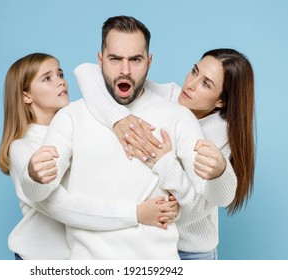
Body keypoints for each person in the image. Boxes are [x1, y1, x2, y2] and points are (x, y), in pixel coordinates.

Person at [22, 16, 235, 259]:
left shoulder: (179, 117)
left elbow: (208, 203)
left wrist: (217, 172)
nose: (125, 70)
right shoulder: (70, 116)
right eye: (115, 59)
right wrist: (33, 175)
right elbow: (39, 194)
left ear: (149, 62)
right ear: (100, 60)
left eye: (135, 59)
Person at [74, 48, 255, 259]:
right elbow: (87, 71)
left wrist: (164, 162)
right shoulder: (169, 95)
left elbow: (202, 206)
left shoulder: (220, 134)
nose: (190, 85)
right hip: (148, 245)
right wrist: (118, 119)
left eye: (206, 84)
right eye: (194, 71)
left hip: (191, 251)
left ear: (220, 101)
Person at [0, 53, 178, 260]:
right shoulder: (22, 148)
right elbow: (62, 207)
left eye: (60, 74)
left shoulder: (76, 125)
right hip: (40, 260)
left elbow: (89, 71)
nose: (61, 82)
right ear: (26, 96)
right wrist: (137, 214)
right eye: (47, 78)